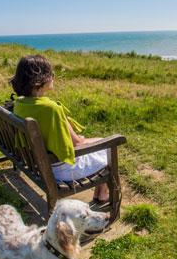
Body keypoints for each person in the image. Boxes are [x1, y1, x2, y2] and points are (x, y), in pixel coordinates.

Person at [10, 55, 110, 203]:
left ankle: (101, 192)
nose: (53, 77)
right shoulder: (51, 109)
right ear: (40, 79)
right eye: (50, 74)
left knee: (101, 143)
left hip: (35, 163)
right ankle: (103, 195)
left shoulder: (20, 103)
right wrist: (97, 140)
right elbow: (77, 145)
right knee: (109, 146)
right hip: (58, 170)